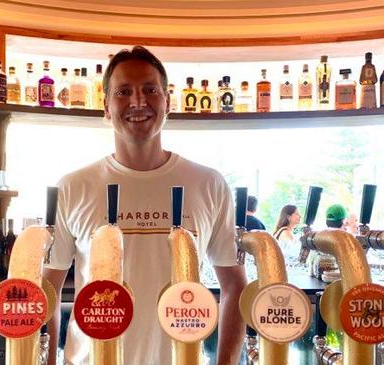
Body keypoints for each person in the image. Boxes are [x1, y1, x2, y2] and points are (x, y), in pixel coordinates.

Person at [43, 46, 246, 365]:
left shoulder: (209, 183)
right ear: (106, 107)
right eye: (124, 92)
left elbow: (234, 286)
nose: (138, 101)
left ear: (168, 100)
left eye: (150, 89)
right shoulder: (74, 185)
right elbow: (49, 290)